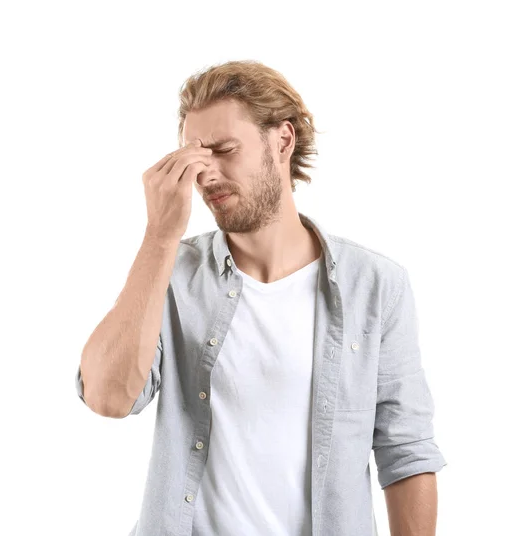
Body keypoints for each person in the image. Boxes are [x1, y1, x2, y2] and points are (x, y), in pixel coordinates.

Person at [76, 59, 447, 536]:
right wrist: (159, 237)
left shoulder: (375, 286)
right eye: (195, 158)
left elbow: (407, 452)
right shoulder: (170, 275)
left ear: (283, 141)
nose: (206, 175)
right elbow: (107, 398)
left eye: (225, 150)